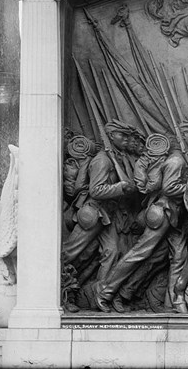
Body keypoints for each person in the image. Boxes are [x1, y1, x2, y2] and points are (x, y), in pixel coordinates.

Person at [95, 123, 188, 313]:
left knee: (178, 257)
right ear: (183, 139)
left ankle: (173, 303)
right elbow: (169, 188)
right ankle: (105, 291)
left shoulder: (182, 159)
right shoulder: (176, 161)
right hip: (163, 212)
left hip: (177, 216)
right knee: (139, 253)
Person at [62, 120, 137, 285]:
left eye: (127, 136)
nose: (126, 139)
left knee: (112, 251)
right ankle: (50, 284)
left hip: (107, 215)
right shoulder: (103, 160)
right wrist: (120, 188)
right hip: (93, 213)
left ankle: (99, 292)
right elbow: (96, 190)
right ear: (110, 136)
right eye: (122, 135)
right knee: (71, 253)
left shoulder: (117, 158)